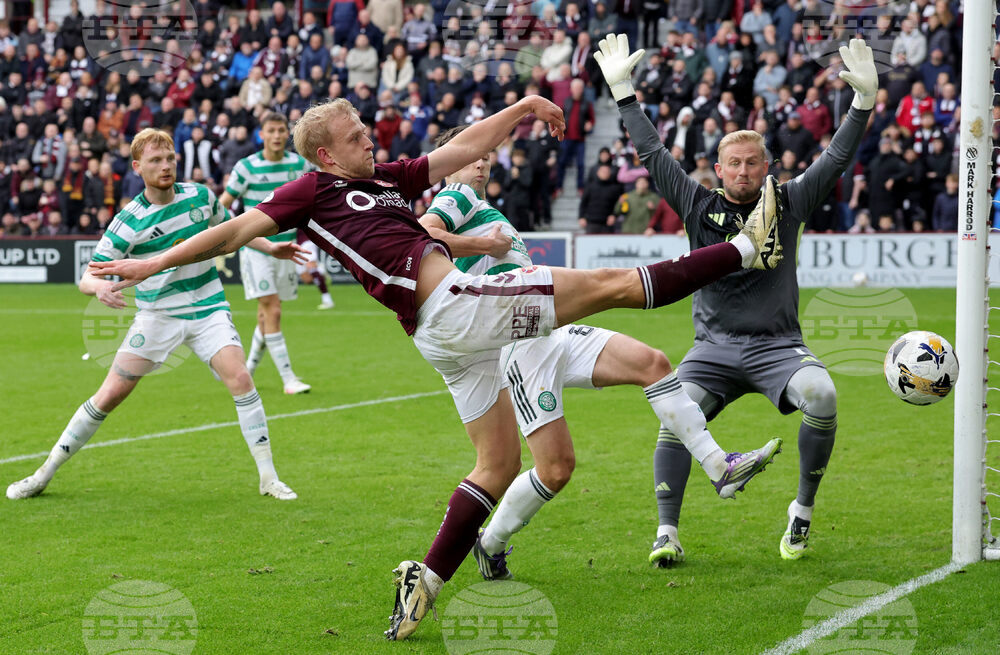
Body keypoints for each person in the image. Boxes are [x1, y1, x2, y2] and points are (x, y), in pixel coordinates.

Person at [90, 95, 781, 640]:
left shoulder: (385, 180)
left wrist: (518, 110)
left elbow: (458, 150)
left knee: (498, 464)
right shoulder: (311, 192)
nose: (370, 137)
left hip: (442, 334)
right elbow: (235, 230)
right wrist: (155, 261)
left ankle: (424, 580)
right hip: (453, 306)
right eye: (356, 133)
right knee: (614, 284)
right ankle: (749, 248)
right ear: (326, 154)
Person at [420, 125, 783, 580]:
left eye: (486, 155)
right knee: (555, 469)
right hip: (517, 347)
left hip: (547, 333)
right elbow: (423, 236)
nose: (480, 162)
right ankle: (489, 543)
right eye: (472, 155)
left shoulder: (482, 205)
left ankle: (718, 464)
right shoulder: (455, 197)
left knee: (651, 363)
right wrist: (483, 245)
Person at [595, 34, 878, 563]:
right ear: (718, 169)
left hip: (778, 346)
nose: (744, 171)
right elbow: (653, 153)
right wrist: (624, 92)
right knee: (674, 417)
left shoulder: (789, 200)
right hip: (713, 348)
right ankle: (667, 534)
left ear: (765, 166)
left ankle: (802, 513)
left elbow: (836, 158)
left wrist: (862, 103)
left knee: (823, 395)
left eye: (753, 163)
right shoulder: (696, 203)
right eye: (734, 163)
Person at [6, 129, 301, 502]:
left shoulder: (201, 196)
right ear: (137, 167)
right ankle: (42, 474)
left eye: (170, 158)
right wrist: (99, 288)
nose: (166, 166)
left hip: (208, 309)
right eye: (156, 161)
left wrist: (270, 247)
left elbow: (235, 229)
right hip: (158, 315)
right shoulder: (129, 221)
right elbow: (87, 276)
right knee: (109, 395)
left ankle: (268, 478)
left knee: (241, 378)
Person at [220, 111, 314, 394]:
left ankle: (246, 370)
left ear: (288, 133)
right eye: (270, 131)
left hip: (287, 249)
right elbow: (223, 206)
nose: (276, 136)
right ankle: (288, 379)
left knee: (269, 313)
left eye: (280, 130)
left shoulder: (299, 165)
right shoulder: (246, 167)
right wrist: (243, 233)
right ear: (261, 135)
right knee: (272, 308)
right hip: (258, 250)